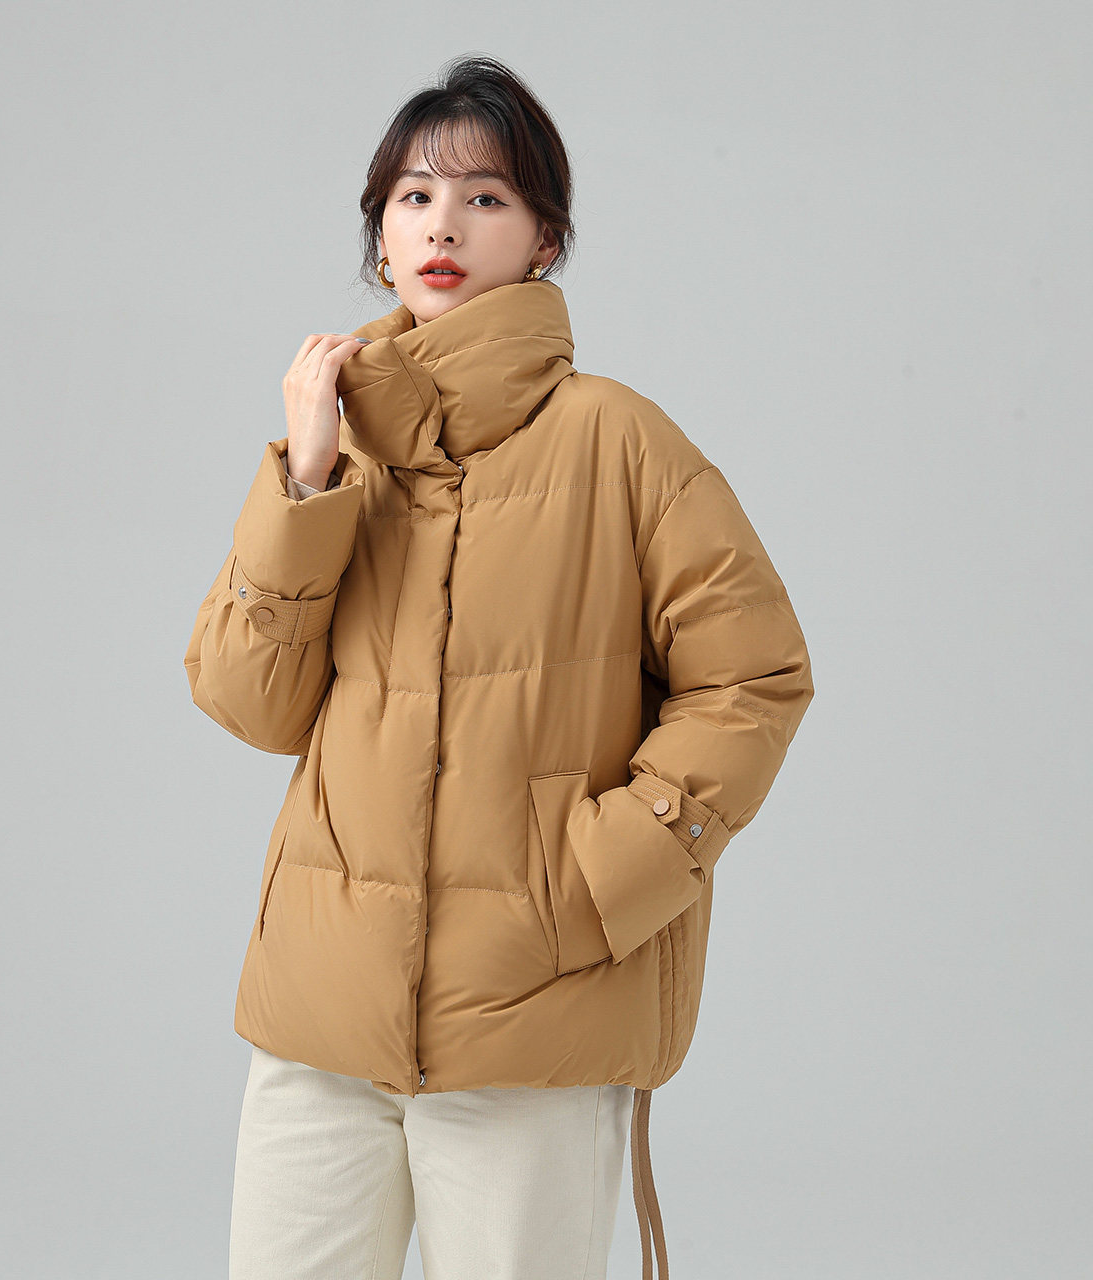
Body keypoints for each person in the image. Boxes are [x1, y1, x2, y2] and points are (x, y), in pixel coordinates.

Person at [184, 55, 815, 1280]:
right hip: (321, 1010)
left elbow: (753, 676)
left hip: (535, 1012)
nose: (443, 226)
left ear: (543, 240)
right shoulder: (336, 453)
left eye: (484, 198)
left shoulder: (616, 438)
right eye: (414, 196)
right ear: (378, 236)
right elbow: (249, 701)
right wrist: (305, 484)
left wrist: (599, 880)